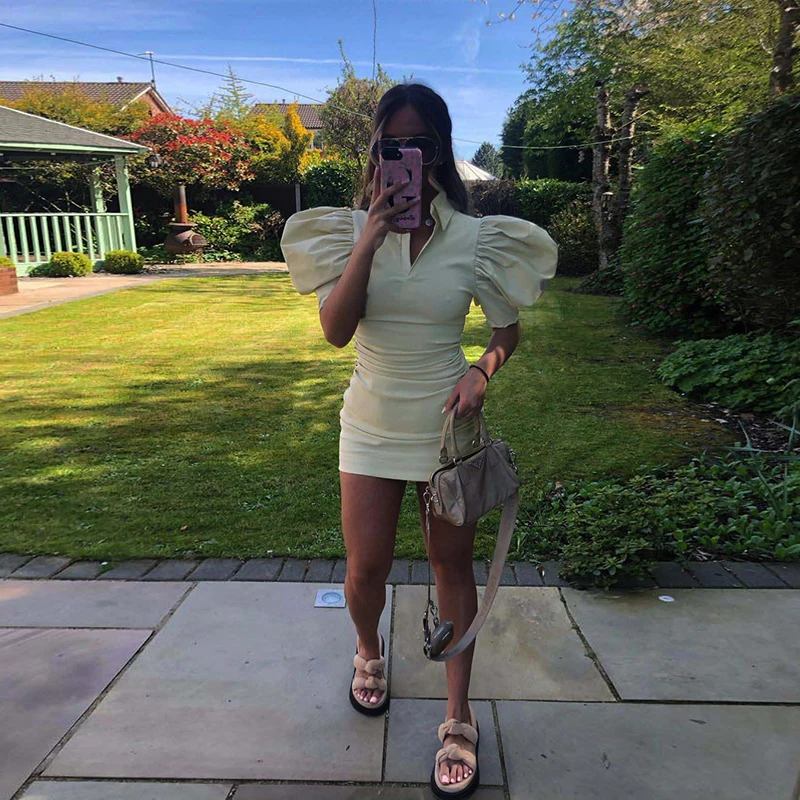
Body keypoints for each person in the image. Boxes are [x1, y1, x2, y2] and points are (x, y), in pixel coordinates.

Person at [280, 82, 558, 798]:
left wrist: (481, 371)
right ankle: (368, 651)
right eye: (391, 143)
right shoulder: (346, 231)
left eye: (420, 143)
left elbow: (506, 331)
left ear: (439, 151)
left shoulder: (477, 239)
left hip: (447, 434)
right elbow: (336, 331)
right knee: (365, 569)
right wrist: (370, 237)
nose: (406, 155)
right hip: (370, 425)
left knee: (451, 571)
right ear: (375, 150)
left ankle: (458, 715)